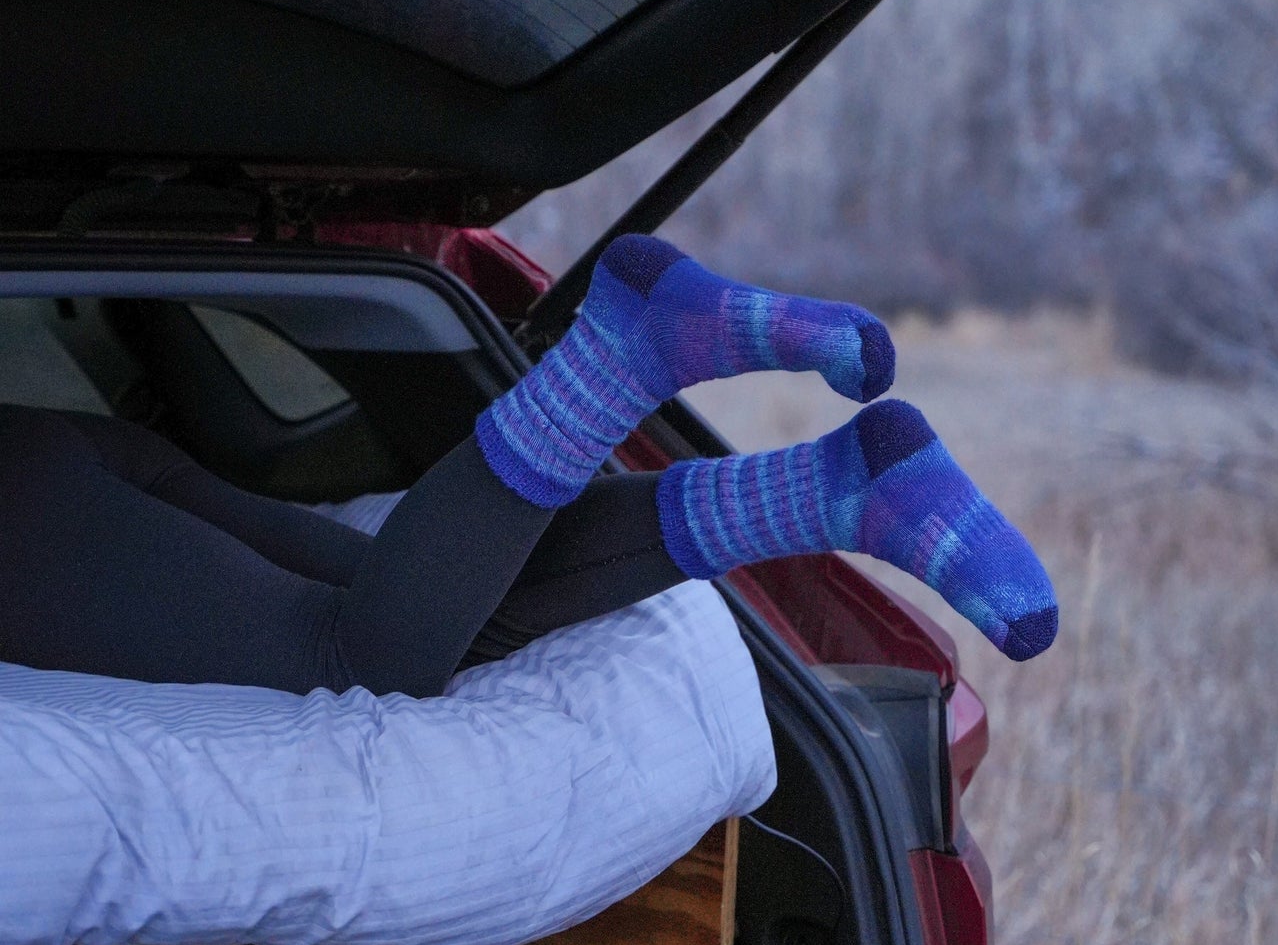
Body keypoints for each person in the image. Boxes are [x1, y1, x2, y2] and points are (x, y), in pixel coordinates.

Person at [0, 236, 1057, 698]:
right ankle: (837, 490)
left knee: (354, 661)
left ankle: (618, 352)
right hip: (55, 456)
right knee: (429, 614)